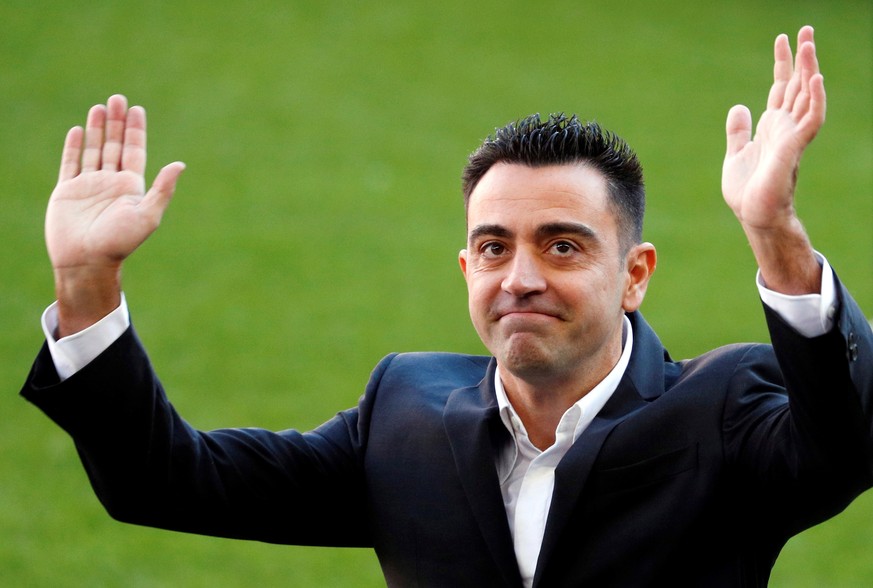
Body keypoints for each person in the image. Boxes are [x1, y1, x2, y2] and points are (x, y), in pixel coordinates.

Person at [21, 26, 872, 587]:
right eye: (495, 247)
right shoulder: (404, 414)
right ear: (466, 266)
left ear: (635, 273)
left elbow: (846, 442)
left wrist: (775, 237)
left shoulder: (722, 410)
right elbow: (167, 483)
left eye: (563, 245)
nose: (520, 277)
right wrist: (89, 283)